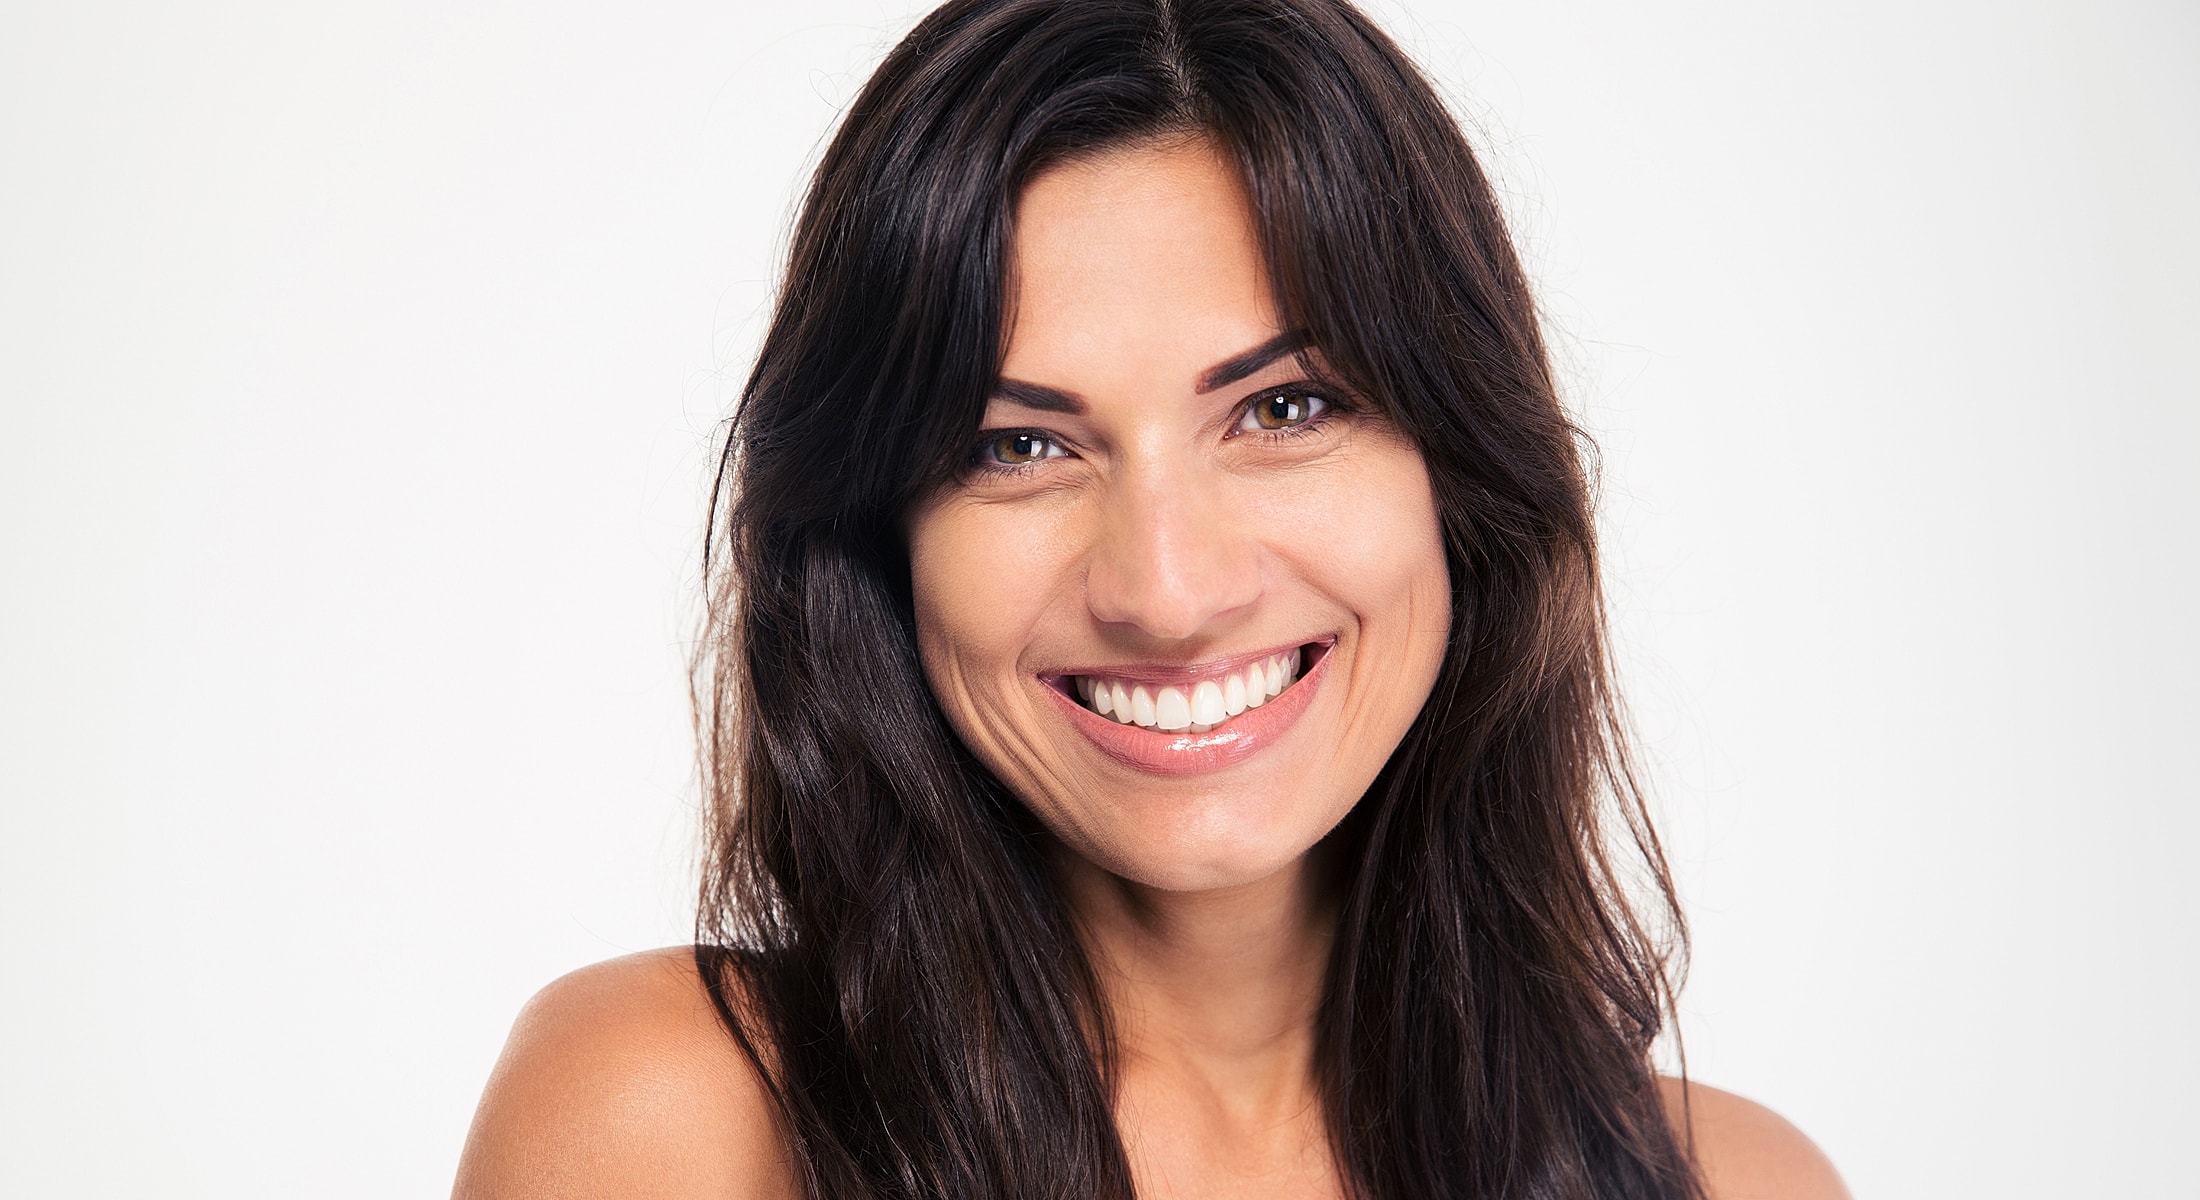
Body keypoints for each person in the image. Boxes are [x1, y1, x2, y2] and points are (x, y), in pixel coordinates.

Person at [453, 1, 1850, 1196]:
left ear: (1460, 467)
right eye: (1018, 447)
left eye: (1284, 406)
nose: (1169, 593)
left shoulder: (1732, 1181)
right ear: (881, 543)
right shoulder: (670, 1120)